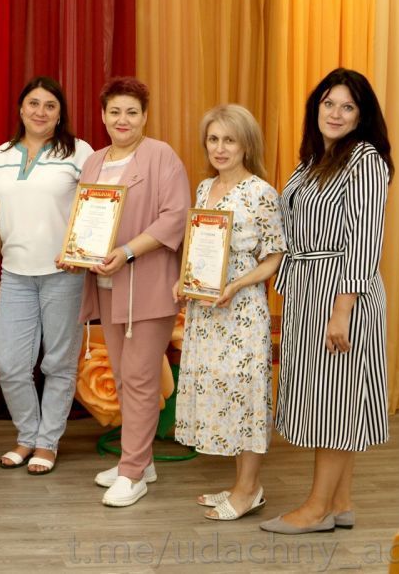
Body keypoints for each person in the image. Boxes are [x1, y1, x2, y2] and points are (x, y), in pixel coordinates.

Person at [260, 68, 393, 534]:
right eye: (328, 103)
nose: (335, 113)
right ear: (316, 107)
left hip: (342, 292)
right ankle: (340, 502)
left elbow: (364, 240)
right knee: (336, 397)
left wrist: (342, 310)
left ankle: (316, 509)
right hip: (307, 289)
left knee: (336, 401)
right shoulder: (313, 160)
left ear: (361, 116)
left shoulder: (365, 161)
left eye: (347, 107)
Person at [68, 76, 190, 507]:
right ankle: (141, 460)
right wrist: (75, 252)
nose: (123, 120)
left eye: (132, 112)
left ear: (145, 116)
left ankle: (132, 472)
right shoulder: (94, 162)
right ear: (103, 116)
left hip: (148, 286)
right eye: (115, 111)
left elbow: (175, 216)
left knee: (139, 378)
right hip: (107, 286)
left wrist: (127, 251)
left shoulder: (161, 156)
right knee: (123, 377)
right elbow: (84, 218)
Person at [172, 104, 285, 520]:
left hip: (241, 311)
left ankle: (249, 489)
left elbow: (274, 257)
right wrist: (184, 279)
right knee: (223, 395)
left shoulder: (261, 193)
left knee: (246, 396)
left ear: (246, 145)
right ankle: (242, 486)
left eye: (229, 140)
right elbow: (199, 246)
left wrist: (236, 285)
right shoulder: (205, 188)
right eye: (213, 139)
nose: (220, 148)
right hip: (205, 312)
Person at [0, 76, 94, 475]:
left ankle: (47, 443)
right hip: (14, 275)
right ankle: (27, 434)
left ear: (60, 113)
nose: (41, 112)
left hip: (64, 275)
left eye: (50, 105)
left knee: (58, 364)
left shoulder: (79, 152)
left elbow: (97, 209)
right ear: (21, 108)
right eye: (33, 103)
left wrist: (80, 253)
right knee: (10, 363)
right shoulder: (1, 154)